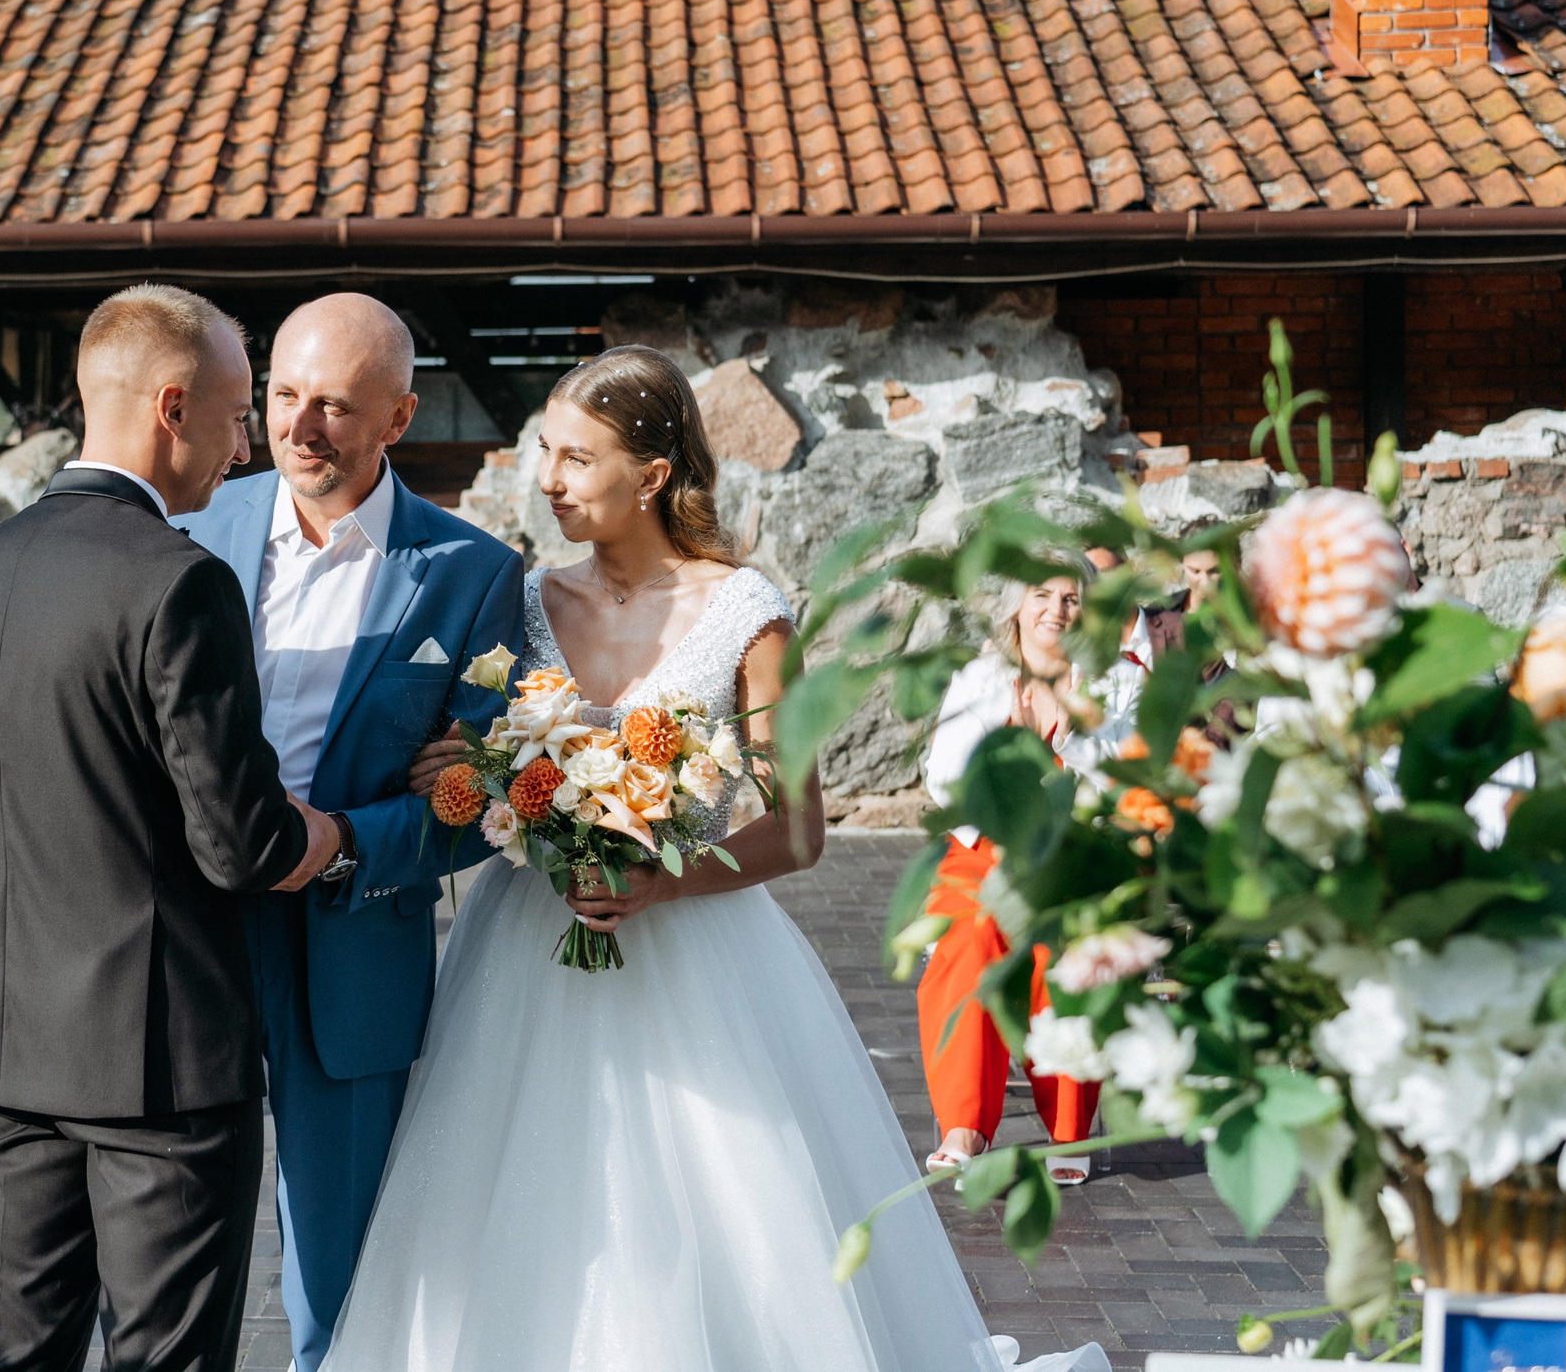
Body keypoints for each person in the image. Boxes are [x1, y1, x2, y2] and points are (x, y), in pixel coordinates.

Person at [324, 346, 1013, 1372]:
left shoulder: (745, 611)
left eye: (575, 459)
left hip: (697, 957)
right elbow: (471, 739)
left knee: (717, 1219)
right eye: (543, 454)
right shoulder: (513, 599)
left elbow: (803, 825)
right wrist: (467, 767)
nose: (546, 481)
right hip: (524, 948)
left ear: (649, 475)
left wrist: (663, 877)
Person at [0, 283, 335, 1372]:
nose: (248, 443)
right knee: (165, 1355)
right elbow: (241, 843)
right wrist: (328, 834)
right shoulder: (179, 583)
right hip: (158, 1054)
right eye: (241, 413)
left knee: (16, 1347)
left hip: (12, 1040)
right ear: (173, 404)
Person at [170, 293, 524, 1372]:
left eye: (333, 404)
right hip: (192, 943)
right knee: (172, 1248)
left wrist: (351, 841)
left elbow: (486, 797)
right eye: (282, 395)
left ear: (398, 418)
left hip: (356, 940)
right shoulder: (187, 535)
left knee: (341, 1266)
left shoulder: (471, 573)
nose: (299, 425)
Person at [915, 564, 1108, 1185]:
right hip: (984, 852)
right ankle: (963, 1126)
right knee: (971, 939)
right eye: (1042, 595)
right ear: (1018, 606)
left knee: (1065, 945)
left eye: (1071, 598)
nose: (1057, 609)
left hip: (1070, 855)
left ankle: (1070, 1129)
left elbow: (1116, 784)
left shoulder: (1105, 684)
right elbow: (946, 776)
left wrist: (1058, 756)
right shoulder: (981, 677)